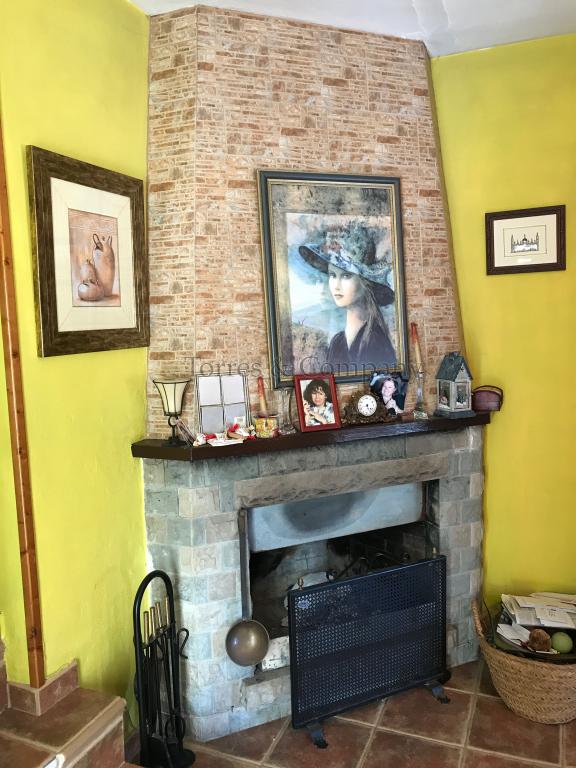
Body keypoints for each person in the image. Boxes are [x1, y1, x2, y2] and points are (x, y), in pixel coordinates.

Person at [299, 223, 396, 372]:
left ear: (364, 282)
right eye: (332, 275)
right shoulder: (338, 341)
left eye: (346, 276)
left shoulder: (376, 340)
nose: (336, 285)